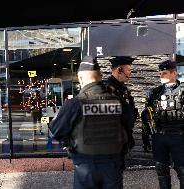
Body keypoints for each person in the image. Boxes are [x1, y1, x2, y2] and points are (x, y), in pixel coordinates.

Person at [49, 55, 127, 189]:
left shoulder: (75, 103)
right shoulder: (119, 100)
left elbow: (54, 132)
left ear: (80, 78)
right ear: (100, 76)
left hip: (86, 166)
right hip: (113, 165)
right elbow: (128, 127)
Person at [141, 60, 184, 189]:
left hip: (179, 137)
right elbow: (146, 116)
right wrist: (145, 138)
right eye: (160, 73)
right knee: (161, 169)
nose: (161, 76)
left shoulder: (183, 91)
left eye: (164, 73)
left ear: (174, 73)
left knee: (182, 170)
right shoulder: (154, 93)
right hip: (159, 136)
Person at [104, 56, 137, 166]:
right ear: (119, 70)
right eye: (128, 70)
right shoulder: (105, 89)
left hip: (122, 140)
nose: (130, 73)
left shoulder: (124, 89)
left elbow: (131, 111)